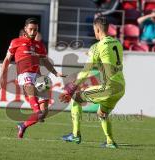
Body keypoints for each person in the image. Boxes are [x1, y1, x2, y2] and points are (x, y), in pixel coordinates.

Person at [59, 16, 125, 148]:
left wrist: (71, 88)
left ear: (98, 30)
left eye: (94, 30)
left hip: (109, 87)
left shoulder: (97, 47)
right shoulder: (117, 43)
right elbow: (109, 62)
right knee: (102, 113)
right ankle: (110, 142)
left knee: (76, 97)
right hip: (121, 87)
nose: (94, 33)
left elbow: (86, 71)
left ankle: (75, 135)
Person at [0, 18, 65, 139]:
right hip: (24, 74)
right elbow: (7, 60)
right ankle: (35, 109)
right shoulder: (16, 42)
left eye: (35, 30)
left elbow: (45, 61)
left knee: (43, 113)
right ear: (25, 29)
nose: (33, 32)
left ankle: (23, 125)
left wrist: (55, 73)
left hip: (39, 76)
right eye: (31, 29)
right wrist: (2, 76)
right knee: (29, 87)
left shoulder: (40, 45)